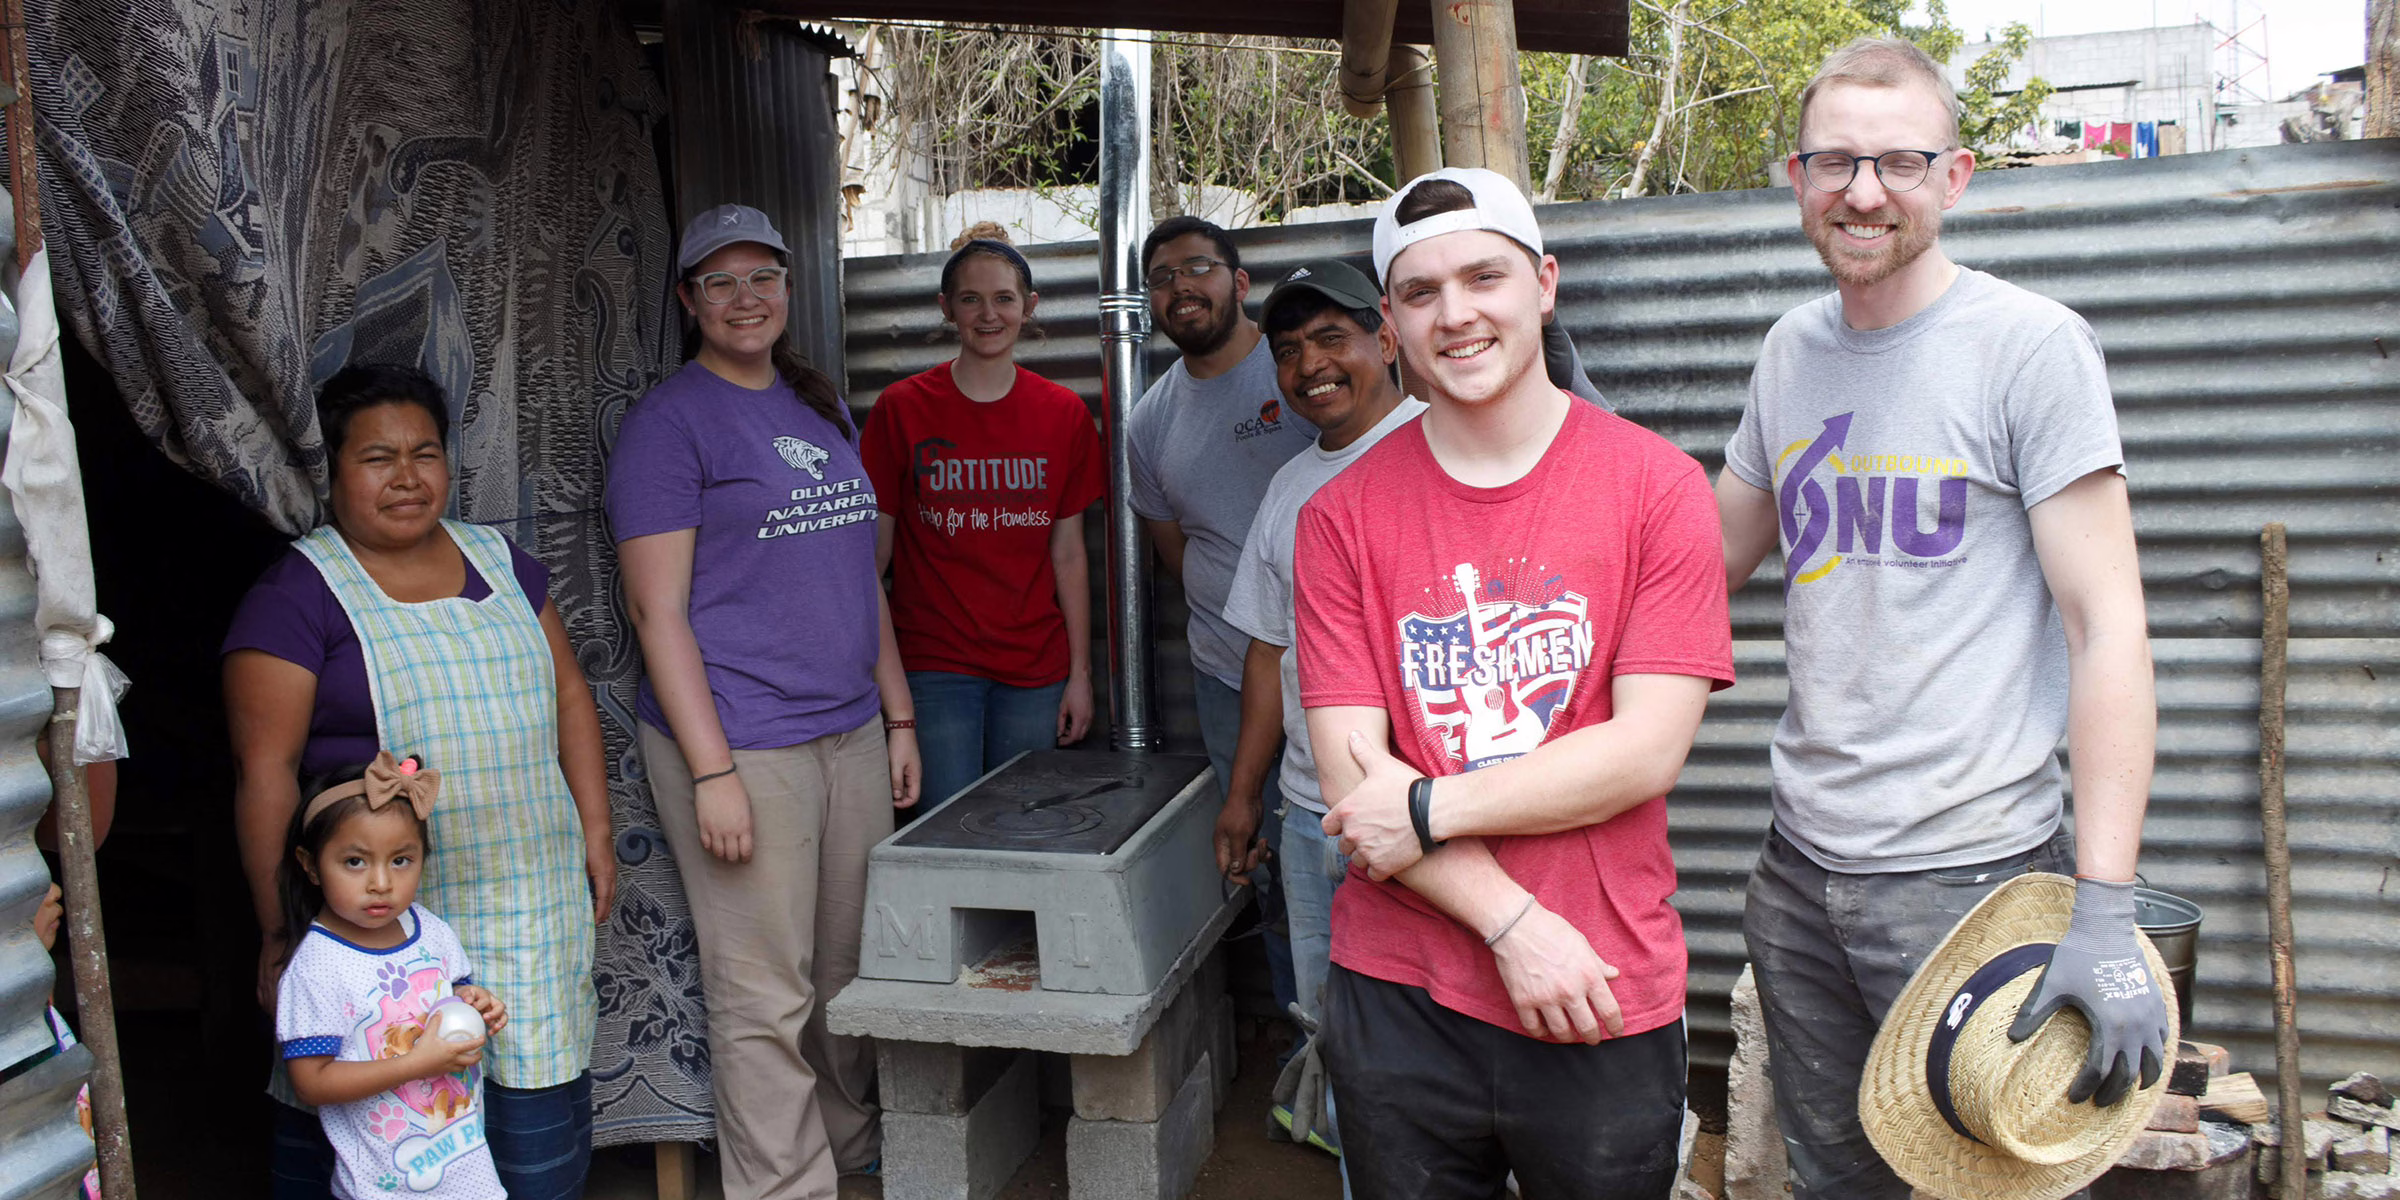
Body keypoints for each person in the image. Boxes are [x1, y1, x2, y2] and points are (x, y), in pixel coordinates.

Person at [1715, 38, 2168, 1200]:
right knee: (1836, 1182)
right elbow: (1709, 558)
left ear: (1954, 177)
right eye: (1835, 161)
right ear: (1798, 178)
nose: (1864, 191)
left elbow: (2107, 626)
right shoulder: (1790, 352)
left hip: (1967, 878)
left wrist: (2105, 910)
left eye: (1899, 162)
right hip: (1798, 873)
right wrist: (1566, 425)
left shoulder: (2030, 348)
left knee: (1990, 1186)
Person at [1296, 168, 1734, 1199]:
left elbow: (1644, 751)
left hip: (1601, 980)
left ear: (1543, 284)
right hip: (1402, 988)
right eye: (1421, 292)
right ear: (1392, 325)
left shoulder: (1659, 487)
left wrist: (1425, 807)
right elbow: (1352, 784)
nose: (1456, 314)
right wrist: (1513, 924)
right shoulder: (1339, 518)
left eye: (1484, 277)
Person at [225, 363, 608, 1200]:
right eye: (376, 458)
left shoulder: (502, 563)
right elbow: (266, 775)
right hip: (373, 922)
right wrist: (278, 931)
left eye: (424, 453)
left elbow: (570, 696)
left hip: (532, 903)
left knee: (530, 1124)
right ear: (332, 473)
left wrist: (597, 832)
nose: (406, 476)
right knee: (387, 1124)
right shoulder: (297, 595)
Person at [610, 202, 921, 1200]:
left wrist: (897, 714)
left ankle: (847, 1143)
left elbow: (857, 578)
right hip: (744, 741)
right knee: (763, 992)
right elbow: (657, 614)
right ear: (688, 301)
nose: (745, 298)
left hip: (849, 731)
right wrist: (713, 773)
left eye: (762, 277)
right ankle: (784, 1187)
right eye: (721, 282)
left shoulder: (817, 405)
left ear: (788, 288)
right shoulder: (668, 426)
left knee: (841, 971)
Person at [1216, 257, 1425, 1165]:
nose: (1310, 366)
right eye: (1289, 350)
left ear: (1386, 336)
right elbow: (1270, 651)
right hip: (1310, 814)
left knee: (1429, 1033)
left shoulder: (1442, 451)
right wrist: (1244, 796)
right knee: (1330, 1021)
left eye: (1331, 338)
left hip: (1424, 809)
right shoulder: (1290, 487)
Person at [1127, 215, 1318, 1037]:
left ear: (1239, 283)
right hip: (1227, 676)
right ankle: (1305, 1056)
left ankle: (1372, 1066)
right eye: (1162, 278)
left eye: (1198, 268)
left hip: (1339, 672)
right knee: (1265, 865)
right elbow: (1177, 550)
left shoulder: (1301, 370)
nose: (1181, 287)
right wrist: (1239, 625)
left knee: (1351, 859)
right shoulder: (1150, 421)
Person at [862, 223, 1105, 809]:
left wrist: (1080, 675)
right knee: (944, 833)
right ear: (946, 308)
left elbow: (1069, 555)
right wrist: (882, 688)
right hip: (934, 666)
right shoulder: (901, 409)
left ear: (1029, 306)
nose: (989, 314)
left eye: (1004, 298)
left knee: (1023, 829)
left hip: (1035, 671)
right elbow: (871, 560)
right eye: (971, 299)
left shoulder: (1063, 414)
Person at [276, 752, 511, 1199]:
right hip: (385, 1185)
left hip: (464, 1165)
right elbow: (311, 1081)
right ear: (310, 865)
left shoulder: (429, 930)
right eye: (355, 862)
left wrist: (478, 1003)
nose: (381, 883)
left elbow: (452, 996)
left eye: (401, 860)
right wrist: (416, 1064)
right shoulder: (317, 967)